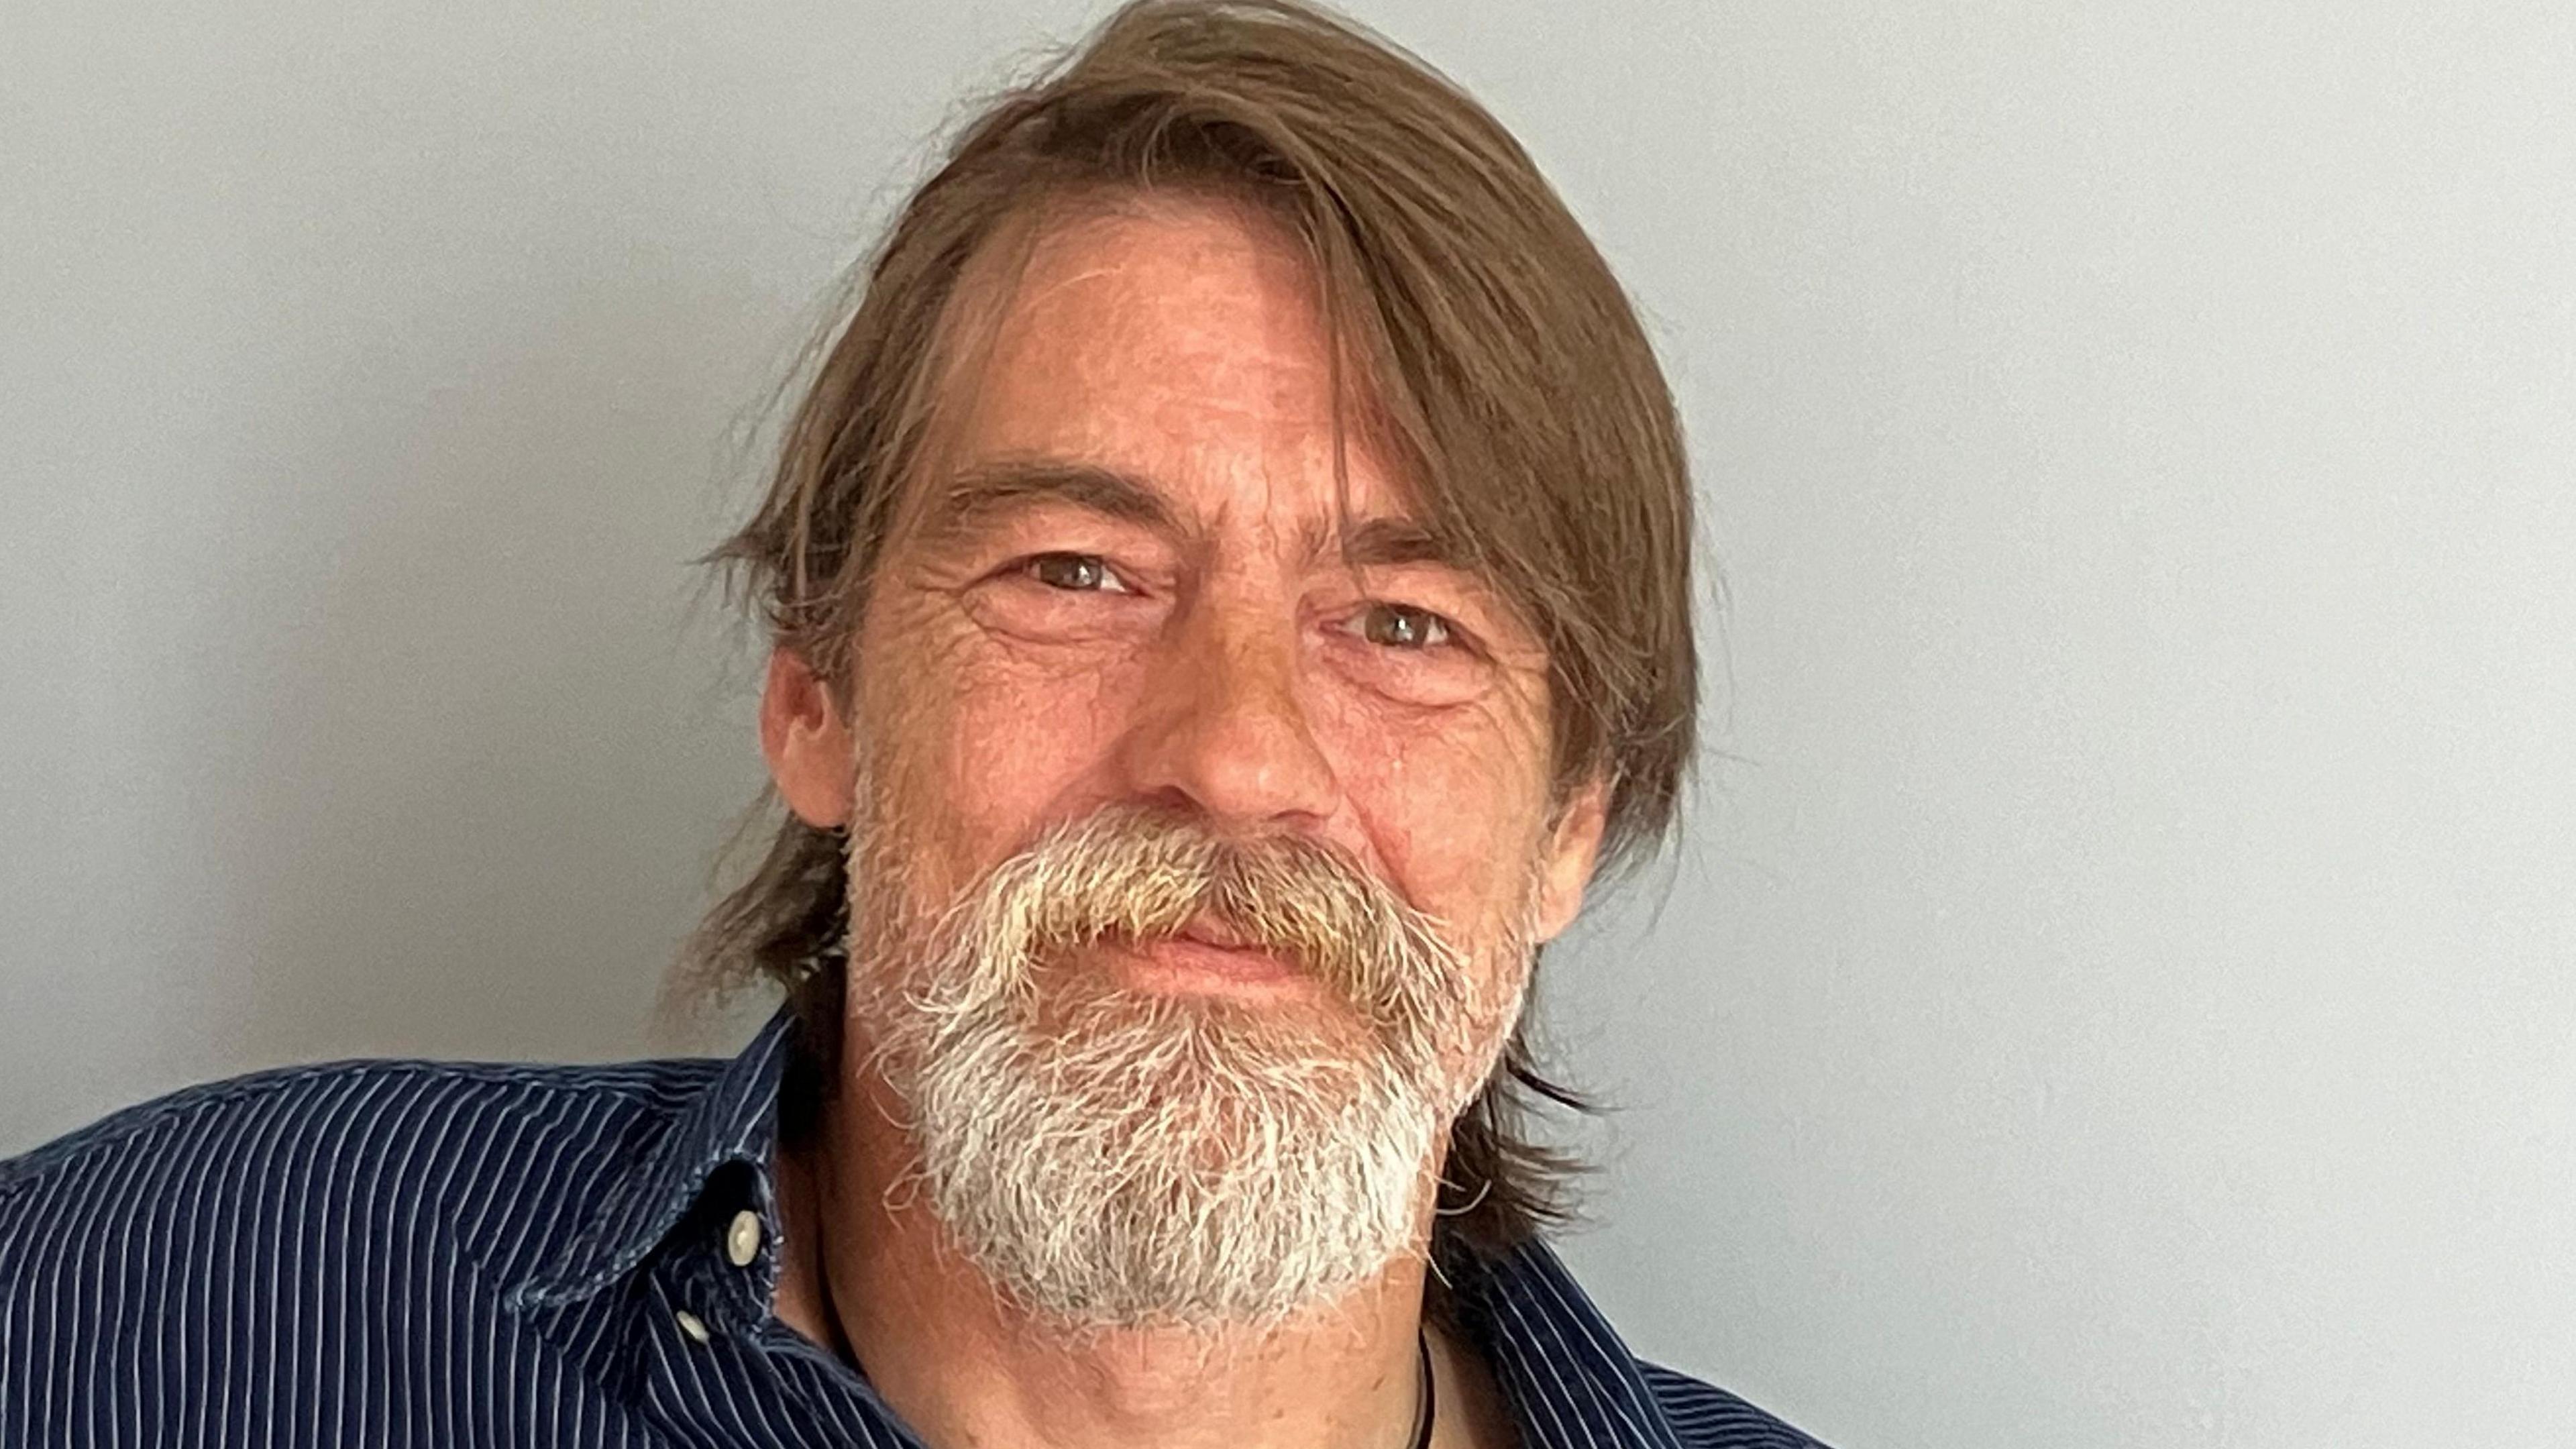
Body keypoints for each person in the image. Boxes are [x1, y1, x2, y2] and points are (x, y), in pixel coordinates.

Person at [0, 2, 1824, 1445]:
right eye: (1074, 573)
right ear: (819, 695)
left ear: (1574, 820)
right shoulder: (132, 1324)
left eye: (1407, 624)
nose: (1239, 751)